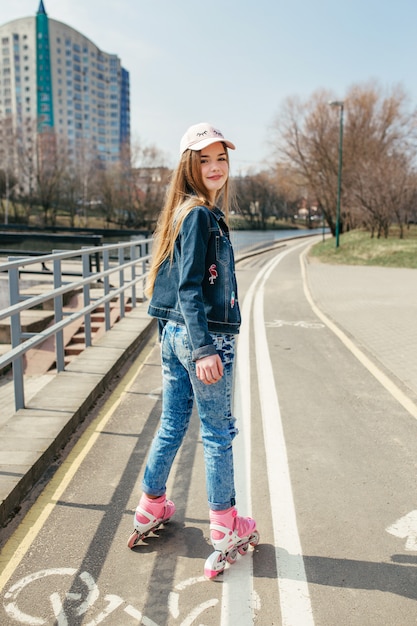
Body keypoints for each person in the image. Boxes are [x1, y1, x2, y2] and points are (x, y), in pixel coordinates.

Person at [127, 122, 259, 578]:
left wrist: (181, 340)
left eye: (221, 158)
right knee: (218, 433)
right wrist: (205, 348)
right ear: (189, 164)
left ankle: (151, 505)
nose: (215, 166)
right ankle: (225, 526)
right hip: (204, 337)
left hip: (173, 334)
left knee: (172, 423)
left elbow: (168, 291)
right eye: (204, 159)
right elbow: (188, 286)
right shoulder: (201, 214)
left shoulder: (181, 212)